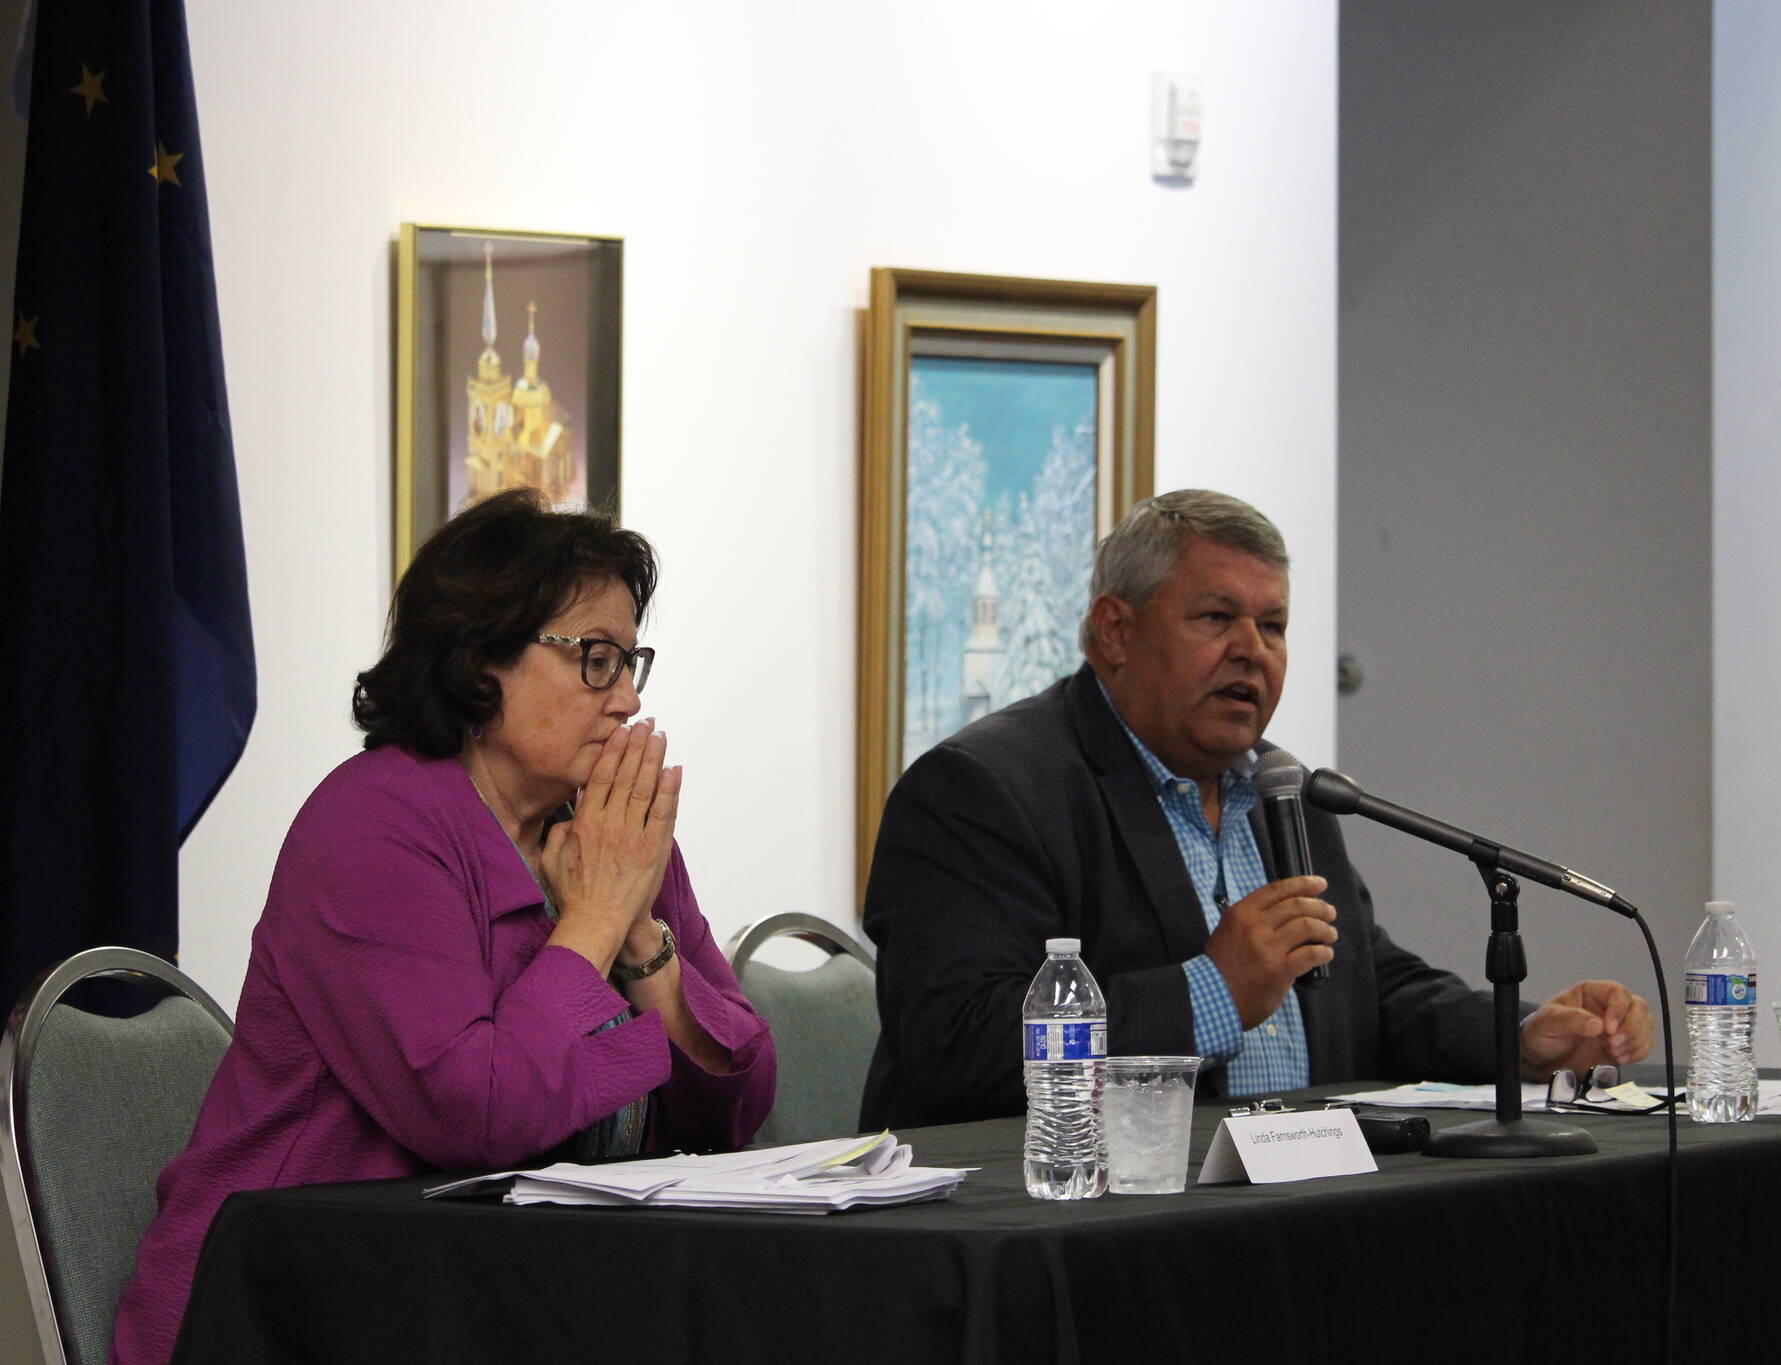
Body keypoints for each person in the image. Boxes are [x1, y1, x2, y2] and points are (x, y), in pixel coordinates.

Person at [112, 491, 776, 1364]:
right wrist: (595, 919)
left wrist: (642, 935)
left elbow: (740, 1102)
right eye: (596, 659)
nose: (624, 700)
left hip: (506, 1303)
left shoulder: (608, 826)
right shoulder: (371, 828)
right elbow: (475, 1112)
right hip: (286, 1312)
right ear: (478, 661)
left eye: (631, 663)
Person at [860, 488, 1648, 1129]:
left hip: (1288, 1205)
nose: (1252, 649)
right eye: (1216, 617)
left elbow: (1368, 993)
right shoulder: (983, 791)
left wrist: (1518, 1036)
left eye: (1272, 625)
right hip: (1078, 1230)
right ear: (1115, 631)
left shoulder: (1284, 793)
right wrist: (1212, 990)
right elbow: (960, 1045)